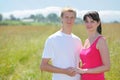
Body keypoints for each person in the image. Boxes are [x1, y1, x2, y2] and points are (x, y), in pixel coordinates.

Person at [40, 7, 82, 80]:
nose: (69, 20)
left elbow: (79, 64)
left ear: (75, 19)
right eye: (66, 17)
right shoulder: (52, 39)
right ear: (61, 18)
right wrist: (65, 71)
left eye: (72, 17)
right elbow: (43, 66)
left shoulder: (77, 40)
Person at [75, 11, 110, 80]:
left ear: (98, 23)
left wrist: (85, 71)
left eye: (92, 21)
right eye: (86, 21)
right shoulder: (86, 41)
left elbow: (107, 67)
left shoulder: (101, 40)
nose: (89, 24)